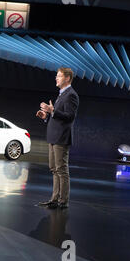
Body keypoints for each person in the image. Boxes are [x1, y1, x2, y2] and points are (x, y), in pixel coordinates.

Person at [36, 67, 79, 209]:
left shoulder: (71, 95)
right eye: (56, 76)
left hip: (61, 138)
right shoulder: (62, 94)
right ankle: (54, 199)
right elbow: (58, 117)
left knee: (61, 169)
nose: (56, 78)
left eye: (59, 76)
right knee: (54, 169)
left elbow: (69, 117)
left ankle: (63, 201)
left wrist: (52, 110)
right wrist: (46, 116)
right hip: (53, 137)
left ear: (67, 78)